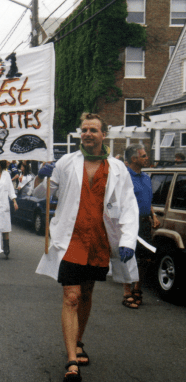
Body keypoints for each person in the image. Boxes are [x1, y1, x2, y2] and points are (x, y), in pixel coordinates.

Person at [35, 113, 139, 382]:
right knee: (71, 296)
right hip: (70, 240)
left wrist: (127, 240)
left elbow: (128, 206)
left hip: (99, 241)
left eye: (93, 130)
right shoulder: (66, 162)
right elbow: (40, 194)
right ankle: (72, 360)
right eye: (84, 130)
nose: (87, 134)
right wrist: (40, 177)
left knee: (87, 293)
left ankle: (78, 340)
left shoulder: (117, 168)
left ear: (104, 134)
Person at [122, 144, 159, 309]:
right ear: (133, 159)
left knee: (145, 258)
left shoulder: (146, 178)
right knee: (128, 257)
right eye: (143, 156)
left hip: (144, 223)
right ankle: (126, 292)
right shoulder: (124, 178)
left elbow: (147, 200)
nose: (147, 158)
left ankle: (138, 289)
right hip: (129, 223)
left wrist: (153, 215)